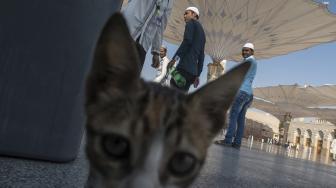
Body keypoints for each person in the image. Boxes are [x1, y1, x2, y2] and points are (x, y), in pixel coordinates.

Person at [215, 43, 257, 149]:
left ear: (252, 51)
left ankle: (228, 140)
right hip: (249, 94)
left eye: (247, 50)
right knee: (240, 119)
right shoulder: (253, 62)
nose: (244, 52)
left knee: (233, 116)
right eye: (243, 50)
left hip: (241, 92)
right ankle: (237, 142)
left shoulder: (248, 61)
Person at [122, 0, 174, 71]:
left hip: (143, 44)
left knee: (131, 77)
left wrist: (156, 51)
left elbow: (160, 26)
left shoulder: (169, 2)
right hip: (127, 32)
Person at [167, 6, 206, 92]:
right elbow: (202, 56)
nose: (184, 16)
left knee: (172, 91)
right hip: (192, 74)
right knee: (182, 97)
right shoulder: (203, 34)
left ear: (194, 14)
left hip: (183, 68)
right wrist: (198, 74)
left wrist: (174, 59)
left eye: (186, 13)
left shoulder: (191, 22)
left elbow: (187, 41)